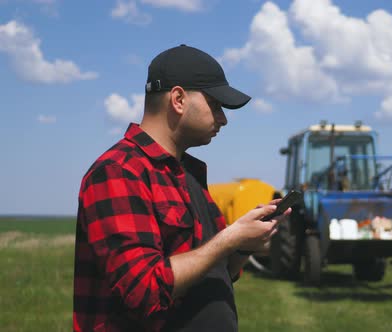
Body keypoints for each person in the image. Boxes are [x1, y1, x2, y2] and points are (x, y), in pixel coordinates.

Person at [73, 44, 287, 332]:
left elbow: (216, 271)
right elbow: (143, 290)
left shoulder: (188, 174)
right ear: (178, 99)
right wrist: (227, 240)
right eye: (215, 104)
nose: (223, 118)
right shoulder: (118, 172)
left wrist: (242, 247)